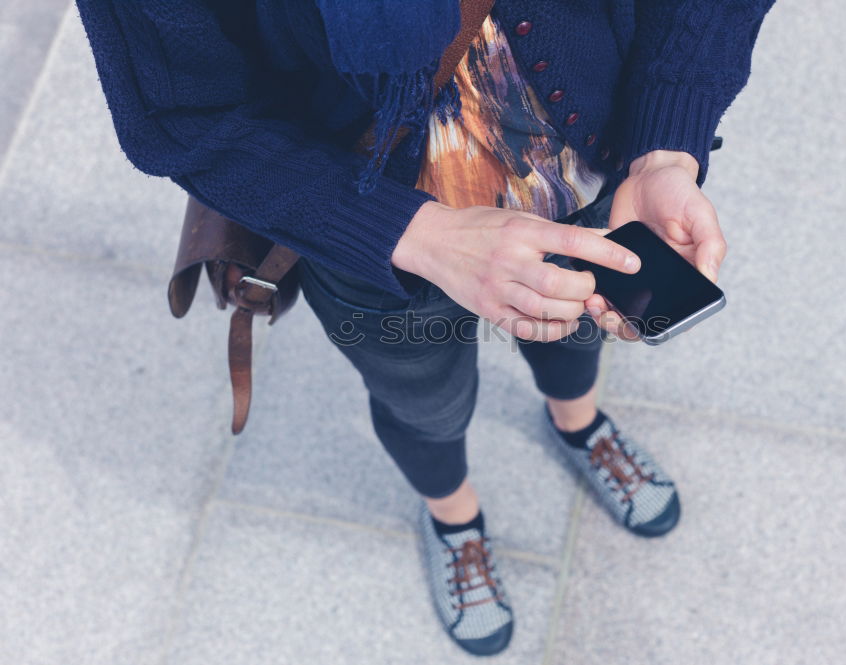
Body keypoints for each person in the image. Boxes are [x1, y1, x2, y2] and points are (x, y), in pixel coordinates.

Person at [77, 0, 775, 656]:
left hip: (592, 155)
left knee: (579, 330)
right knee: (423, 400)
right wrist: (408, 233)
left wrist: (665, 144)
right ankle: (455, 519)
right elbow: (180, 115)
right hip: (369, 223)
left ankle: (579, 423)